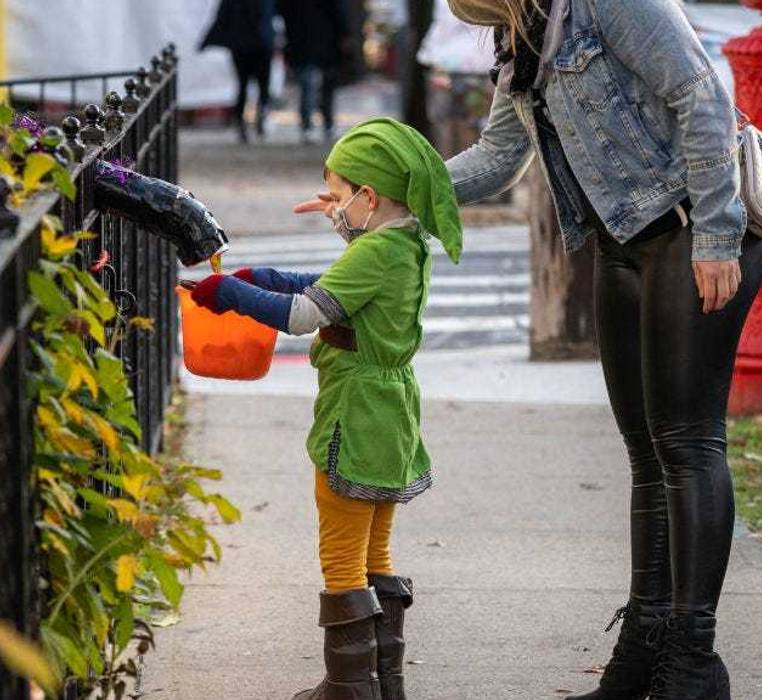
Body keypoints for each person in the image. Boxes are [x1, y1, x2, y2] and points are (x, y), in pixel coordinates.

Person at [440, 0, 762, 698]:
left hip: (691, 226)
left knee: (686, 442)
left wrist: (715, 236)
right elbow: (500, 156)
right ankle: (641, 654)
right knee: (645, 453)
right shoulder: (522, 29)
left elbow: (700, 94)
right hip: (621, 239)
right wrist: (391, 192)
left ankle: (694, 664)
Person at [187, 117, 463, 700]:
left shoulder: (378, 250)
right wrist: (267, 276)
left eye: (339, 196)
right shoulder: (405, 243)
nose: (331, 207)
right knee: (375, 549)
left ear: (368, 197)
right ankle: (384, 683)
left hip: (355, 416)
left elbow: (303, 315)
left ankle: (347, 688)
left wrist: (232, 294)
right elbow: (337, 285)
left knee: (341, 553)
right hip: (393, 418)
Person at [200, 0, 276, 142]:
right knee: (259, 85)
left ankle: (246, 121)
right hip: (258, 45)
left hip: (244, 46)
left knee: (245, 86)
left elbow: (222, 17)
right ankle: (257, 118)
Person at [277, 0, 350, 143]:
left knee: (311, 86)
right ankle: (321, 125)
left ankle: (313, 126)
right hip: (319, 42)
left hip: (308, 43)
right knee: (316, 86)